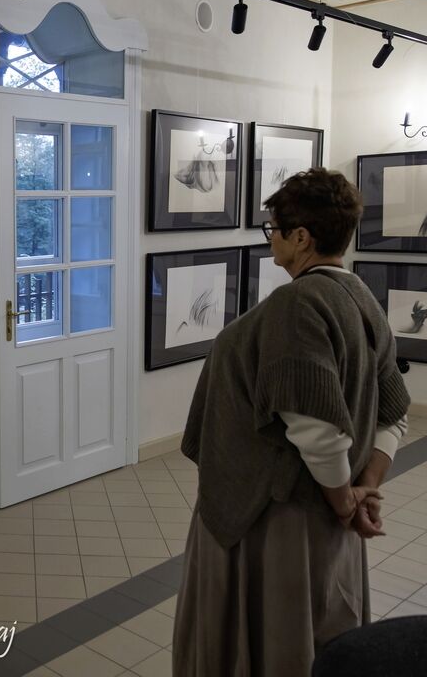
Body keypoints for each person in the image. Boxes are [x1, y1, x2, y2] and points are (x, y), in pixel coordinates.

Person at [172, 168, 411, 677]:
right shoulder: (361, 296)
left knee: (274, 638)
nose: (271, 238)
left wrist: (346, 501)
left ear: (301, 237)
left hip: (273, 519)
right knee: (322, 627)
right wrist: (364, 489)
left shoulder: (297, 304)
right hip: (325, 515)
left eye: (274, 228)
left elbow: (316, 429)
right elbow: (394, 414)